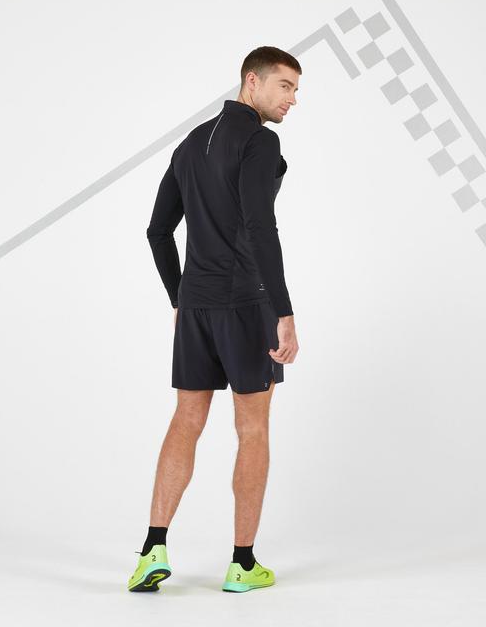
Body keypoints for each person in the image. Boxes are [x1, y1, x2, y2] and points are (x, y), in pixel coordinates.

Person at [128, 46, 301, 593]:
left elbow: (158, 231)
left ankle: (152, 550)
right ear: (252, 81)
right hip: (246, 305)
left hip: (197, 307)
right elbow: (260, 226)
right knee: (253, 429)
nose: (293, 99)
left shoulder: (190, 143)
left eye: (296, 90)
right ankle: (242, 564)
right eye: (285, 86)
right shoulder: (260, 141)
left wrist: (179, 297)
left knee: (186, 420)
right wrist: (284, 310)